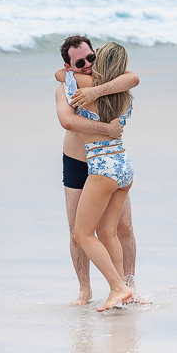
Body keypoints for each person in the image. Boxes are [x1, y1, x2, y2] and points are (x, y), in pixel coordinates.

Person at [55, 36, 140, 305]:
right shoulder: (67, 86)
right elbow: (68, 121)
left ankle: (127, 286)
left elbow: (133, 78)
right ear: (69, 66)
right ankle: (85, 290)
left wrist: (95, 92)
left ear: (97, 54)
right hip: (81, 162)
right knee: (78, 231)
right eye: (79, 63)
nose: (88, 64)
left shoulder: (107, 82)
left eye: (91, 58)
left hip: (105, 164)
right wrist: (108, 129)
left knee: (121, 227)